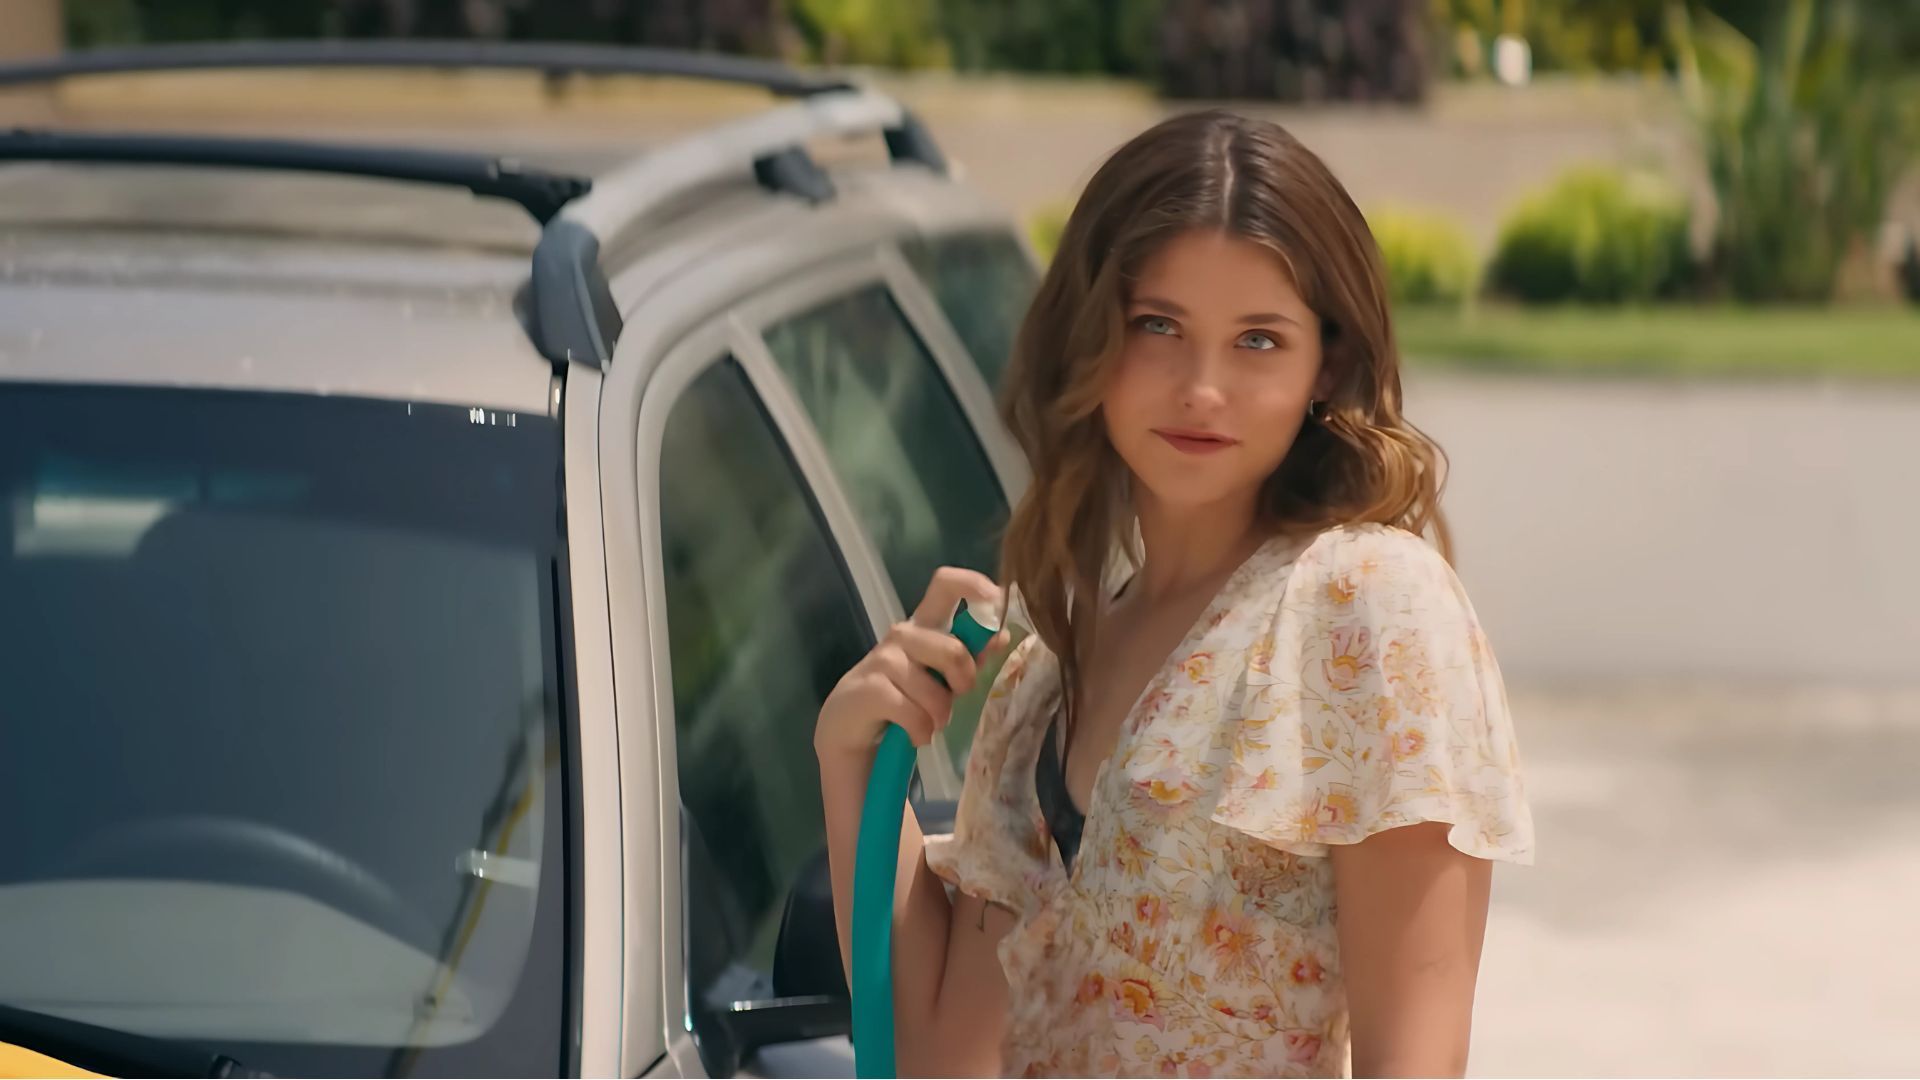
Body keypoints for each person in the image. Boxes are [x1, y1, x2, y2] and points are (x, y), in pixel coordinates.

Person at [814, 109, 1534, 1079]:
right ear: (1091, 340)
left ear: (1329, 364)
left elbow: (1418, 1062)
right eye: (1159, 326)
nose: (1203, 388)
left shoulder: (1365, 608)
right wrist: (852, 759)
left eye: (1258, 341)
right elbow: (937, 1058)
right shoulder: (1039, 683)